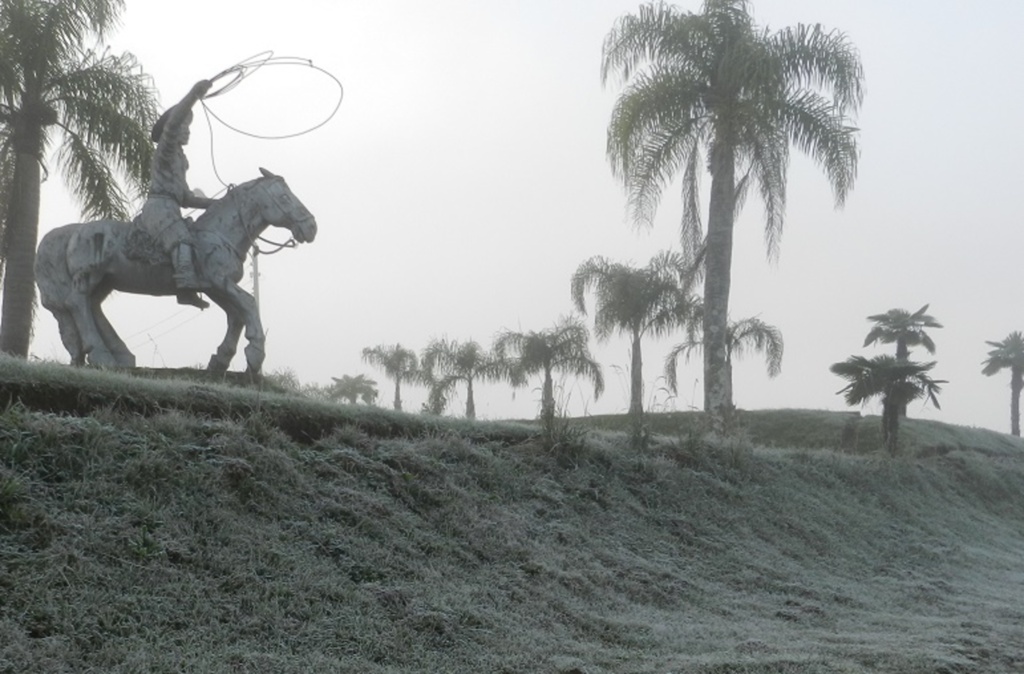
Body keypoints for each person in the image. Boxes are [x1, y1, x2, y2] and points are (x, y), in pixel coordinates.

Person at [139, 79, 215, 308]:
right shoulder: (166, 149)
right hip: (158, 208)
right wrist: (193, 94)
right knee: (182, 239)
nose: (187, 132)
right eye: (185, 127)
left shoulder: (181, 159)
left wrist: (217, 203)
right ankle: (184, 287)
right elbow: (171, 125)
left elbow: (185, 198)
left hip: (172, 207)